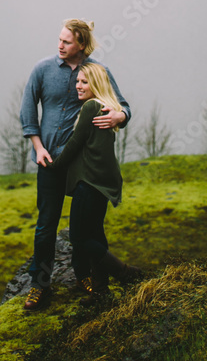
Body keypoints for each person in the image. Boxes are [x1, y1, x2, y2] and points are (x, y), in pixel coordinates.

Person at [20, 18, 131, 310]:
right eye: (59, 40)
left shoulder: (96, 71)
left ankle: (85, 275)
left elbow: (123, 106)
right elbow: (28, 111)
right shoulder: (42, 69)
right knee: (46, 226)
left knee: (86, 226)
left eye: (66, 42)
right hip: (49, 161)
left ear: (81, 44)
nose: (59, 45)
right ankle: (39, 286)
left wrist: (119, 117)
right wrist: (38, 148)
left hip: (83, 167)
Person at [49, 62, 143, 297]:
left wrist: (53, 165)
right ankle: (101, 291)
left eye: (84, 82)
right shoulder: (107, 107)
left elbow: (74, 144)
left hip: (89, 183)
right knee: (95, 235)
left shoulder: (92, 107)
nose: (78, 86)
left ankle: (126, 273)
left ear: (96, 84)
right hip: (100, 184)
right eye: (77, 81)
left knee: (79, 237)